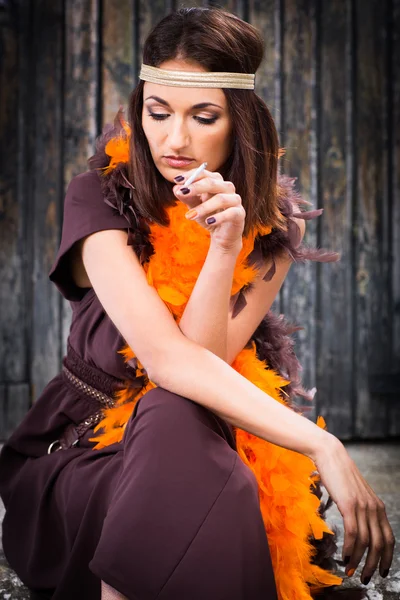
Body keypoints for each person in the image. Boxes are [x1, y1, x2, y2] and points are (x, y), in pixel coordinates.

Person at [0, 6, 395, 600]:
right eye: (157, 113)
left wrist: (224, 245)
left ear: (239, 124)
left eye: (202, 117)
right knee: (186, 447)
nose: (174, 139)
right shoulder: (98, 201)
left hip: (191, 444)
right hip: (88, 455)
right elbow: (169, 363)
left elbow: (202, 365)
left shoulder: (272, 230)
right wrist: (321, 442)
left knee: (193, 444)